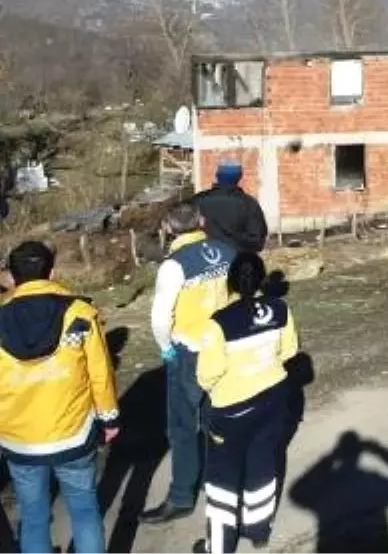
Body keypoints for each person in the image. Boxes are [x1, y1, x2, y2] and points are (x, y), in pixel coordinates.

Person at [0, 241, 119, 554]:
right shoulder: (80, 314)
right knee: (84, 511)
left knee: (33, 516)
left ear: (11, 278)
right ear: (51, 272)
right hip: (74, 433)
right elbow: (101, 373)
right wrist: (110, 418)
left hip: (18, 439)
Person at [192, 251, 299, 554]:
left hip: (232, 408)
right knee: (263, 464)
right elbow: (289, 351)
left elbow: (207, 375)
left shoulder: (219, 324)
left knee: (222, 478)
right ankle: (258, 530)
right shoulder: (280, 309)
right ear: (263, 279)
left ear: (230, 282)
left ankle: (220, 546)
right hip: (275, 399)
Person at [141, 204, 237, 525]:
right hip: (223, 348)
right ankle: (221, 489)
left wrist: (166, 348)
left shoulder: (174, 265)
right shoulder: (227, 250)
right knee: (217, 423)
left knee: (183, 427)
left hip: (190, 353)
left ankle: (181, 496)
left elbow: (160, 317)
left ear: (168, 228)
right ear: (202, 222)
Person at [192, 161, 269, 257]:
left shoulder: (197, 200)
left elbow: (184, 229)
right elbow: (257, 240)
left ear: (217, 175)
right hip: (237, 262)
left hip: (204, 260)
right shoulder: (249, 203)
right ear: (240, 177)